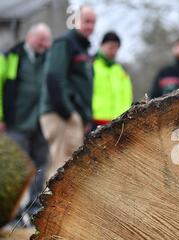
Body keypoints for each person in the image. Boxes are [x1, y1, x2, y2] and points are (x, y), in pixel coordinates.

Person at [0, 23, 52, 223]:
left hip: (40, 123)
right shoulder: (12, 56)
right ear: (30, 37)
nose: (43, 44)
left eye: (46, 40)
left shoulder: (47, 59)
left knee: (40, 166)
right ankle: (13, 215)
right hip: (16, 122)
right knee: (17, 169)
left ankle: (34, 208)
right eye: (40, 39)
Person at [39, 5, 96, 179]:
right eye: (86, 21)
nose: (90, 26)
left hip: (74, 116)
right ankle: (52, 207)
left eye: (93, 22)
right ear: (75, 21)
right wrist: (69, 113)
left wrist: (84, 117)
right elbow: (54, 78)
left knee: (69, 168)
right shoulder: (65, 43)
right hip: (61, 115)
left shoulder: (83, 49)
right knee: (61, 167)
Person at [92, 31, 133, 128]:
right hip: (95, 121)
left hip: (119, 123)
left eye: (116, 48)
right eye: (111, 47)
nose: (114, 51)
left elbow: (127, 96)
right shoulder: (91, 66)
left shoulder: (122, 71)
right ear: (102, 45)